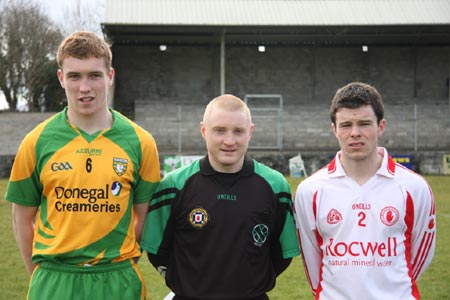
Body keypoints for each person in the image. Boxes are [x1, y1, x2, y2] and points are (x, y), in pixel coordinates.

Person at [4, 31, 160, 300]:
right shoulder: (37, 141)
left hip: (118, 280)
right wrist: (43, 274)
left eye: (94, 75)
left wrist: (117, 263)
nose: (84, 87)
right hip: (54, 279)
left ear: (110, 76)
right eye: (75, 76)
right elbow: (21, 219)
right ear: (61, 78)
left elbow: (142, 218)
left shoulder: (141, 142)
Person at [141, 94, 300, 300]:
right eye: (220, 130)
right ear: (204, 130)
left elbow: (281, 254)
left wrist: (250, 285)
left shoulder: (276, 186)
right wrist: (188, 284)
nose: (229, 140)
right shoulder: (173, 186)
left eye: (238, 131)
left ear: (250, 132)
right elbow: (157, 251)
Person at [293, 82, 436, 300]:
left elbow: (419, 259)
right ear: (334, 129)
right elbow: (312, 261)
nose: (355, 133)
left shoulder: (414, 188)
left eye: (364, 123)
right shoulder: (310, 191)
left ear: (381, 126)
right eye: (346, 125)